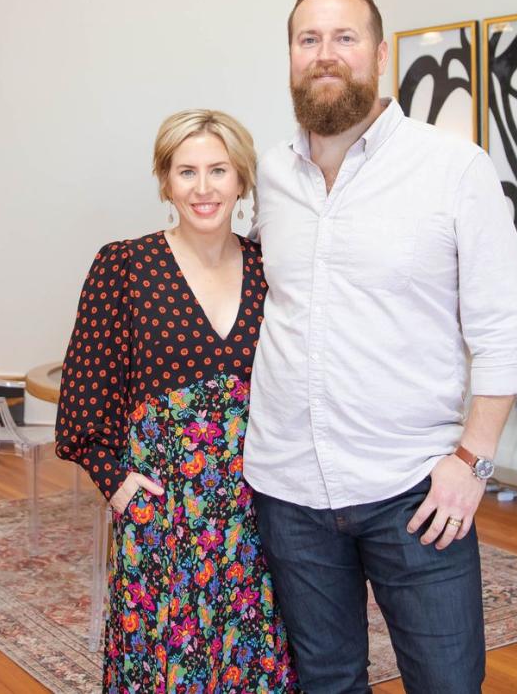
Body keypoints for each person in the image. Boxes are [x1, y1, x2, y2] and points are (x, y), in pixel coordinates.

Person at [244, 0, 517, 692]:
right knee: (328, 679)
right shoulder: (267, 178)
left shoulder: (453, 168)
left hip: (415, 488)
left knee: (447, 681)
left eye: (345, 36)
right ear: (290, 58)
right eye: (308, 39)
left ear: (380, 56)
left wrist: (473, 460)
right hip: (289, 488)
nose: (325, 53)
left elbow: (502, 326)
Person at [55, 109, 298, 693]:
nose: (204, 187)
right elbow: (86, 395)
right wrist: (116, 482)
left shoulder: (272, 269)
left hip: (260, 511)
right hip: (164, 512)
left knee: (255, 662)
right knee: (164, 669)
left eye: (218, 170)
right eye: (186, 172)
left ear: (241, 179)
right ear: (165, 183)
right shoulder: (125, 267)